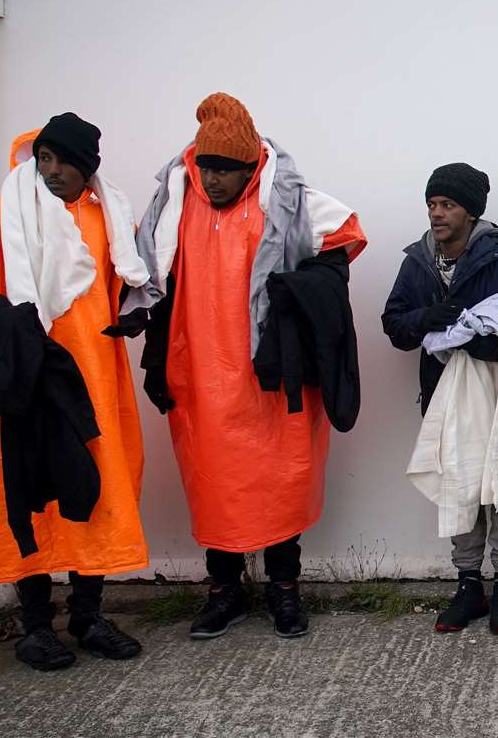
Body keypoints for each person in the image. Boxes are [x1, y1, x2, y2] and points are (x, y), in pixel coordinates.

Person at [129, 93, 366, 639]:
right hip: (200, 375)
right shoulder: (175, 205)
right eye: (206, 167)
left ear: (251, 166)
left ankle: (285, 591)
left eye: (225, 170)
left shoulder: (286, 200)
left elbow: (347, 233)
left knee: (281, 482)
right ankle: (224, 593)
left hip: (271, 373)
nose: (212, 180)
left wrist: (301, 287)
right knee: (214, 485)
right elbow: (139, 264)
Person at [0, 114, 149, 671]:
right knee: (27, 492)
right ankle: (34, 626)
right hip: (19, 386)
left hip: (89, 383)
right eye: (43, 158)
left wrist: (134, 315)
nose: (50, 171)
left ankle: (89, 615)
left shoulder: (110, 221)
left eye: (62, 161)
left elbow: (131, 285)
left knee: (90, 488)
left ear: (87, 167)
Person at [382, 163, 498, 634]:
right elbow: (394, 325)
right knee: (459, 486)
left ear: (470, 212)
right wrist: (430, 316)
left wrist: (477, 341)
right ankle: (469, 586)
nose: (436, 214)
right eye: (431, 204)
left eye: (447, 204)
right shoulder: (417, 262)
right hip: (443, 396)